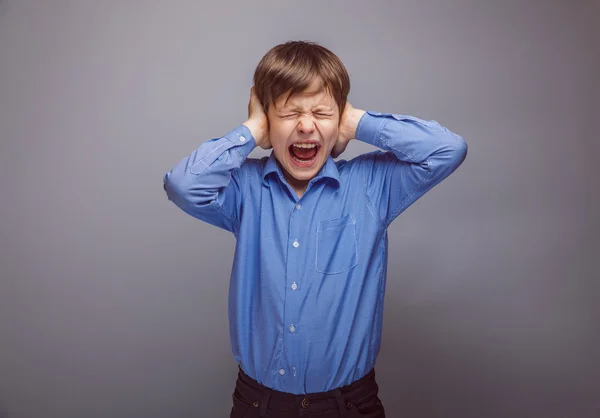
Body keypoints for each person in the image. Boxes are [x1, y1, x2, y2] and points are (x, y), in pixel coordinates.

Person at [163, 40, 467, 418]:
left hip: (349, 404)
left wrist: (356, 121)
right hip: (259, 403)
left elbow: (447, 150)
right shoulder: (244, 190)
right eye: (289, 113)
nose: (306, 126)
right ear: (268, 120)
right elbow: (183, 185)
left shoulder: (371, 185)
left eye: (322, 112)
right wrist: (251, 130)